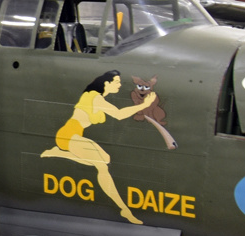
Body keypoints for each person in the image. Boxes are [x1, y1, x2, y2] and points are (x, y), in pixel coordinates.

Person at [41, 70, 158, 224]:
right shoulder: (95, 98)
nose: (119, 85)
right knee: (102, 166)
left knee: (105, 159)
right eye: (116, 81)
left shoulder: (97, 97)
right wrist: (145, 104)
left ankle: (59, 153)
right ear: (106, 83)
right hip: (68, 135)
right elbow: (119, 115)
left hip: (74, 135)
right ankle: (124, 209)